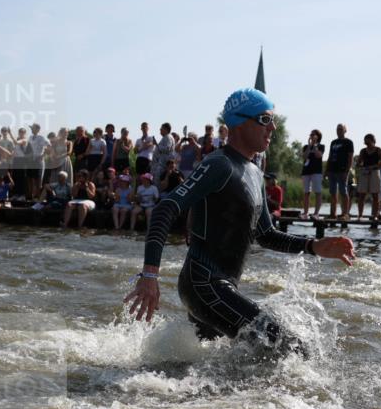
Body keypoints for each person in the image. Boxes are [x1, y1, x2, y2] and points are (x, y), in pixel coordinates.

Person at [125, 88, 355, 351]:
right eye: (265, 120)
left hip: (220, 287)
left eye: (273, 121)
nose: (273, 128)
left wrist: (313, 246)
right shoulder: (218, 164)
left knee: (218, 364)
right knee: (290, 348)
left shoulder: (255, 173)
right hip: (204, 283)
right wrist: (149, 275)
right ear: (239, 122)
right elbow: (164, 209)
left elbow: (266, 234)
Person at [355, 133, 381, 221]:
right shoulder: (363, 151)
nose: (365, 141)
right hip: (364, 173)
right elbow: (358, 163)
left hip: (375, 172)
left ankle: (375, 215)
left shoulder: (379, 150)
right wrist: (361, 166)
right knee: (361, 195)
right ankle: (360, 215)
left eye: (367, 139)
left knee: (375, 195)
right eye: (365, 139)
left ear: (372, 140)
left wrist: (373, 166)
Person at [326, 123, 354, 220]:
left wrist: (347, 172)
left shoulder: (348, 142)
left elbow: (350, 158)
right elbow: (330, 156)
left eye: (341, 129)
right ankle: (332, 213)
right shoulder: (333, 142)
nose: (339, 131)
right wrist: (327, 170)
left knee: (343, 192)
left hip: (342, 171)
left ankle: (345, 214)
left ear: (345, 131)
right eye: (337, 129)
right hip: (332, 170)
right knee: (333, 193)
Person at [301, 129, 325, 219]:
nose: (311, 136)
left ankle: (316, 213)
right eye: (311, 134)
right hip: (306, 171)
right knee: (306, 192)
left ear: (318, 136)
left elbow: (318, 155)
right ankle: (305, 213)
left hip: (317, 172)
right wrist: (309, 146)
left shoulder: (321, 146)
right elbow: (304, 156)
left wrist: (314, 146)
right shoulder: (306, 147)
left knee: (318, 192)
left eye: (313, 134)